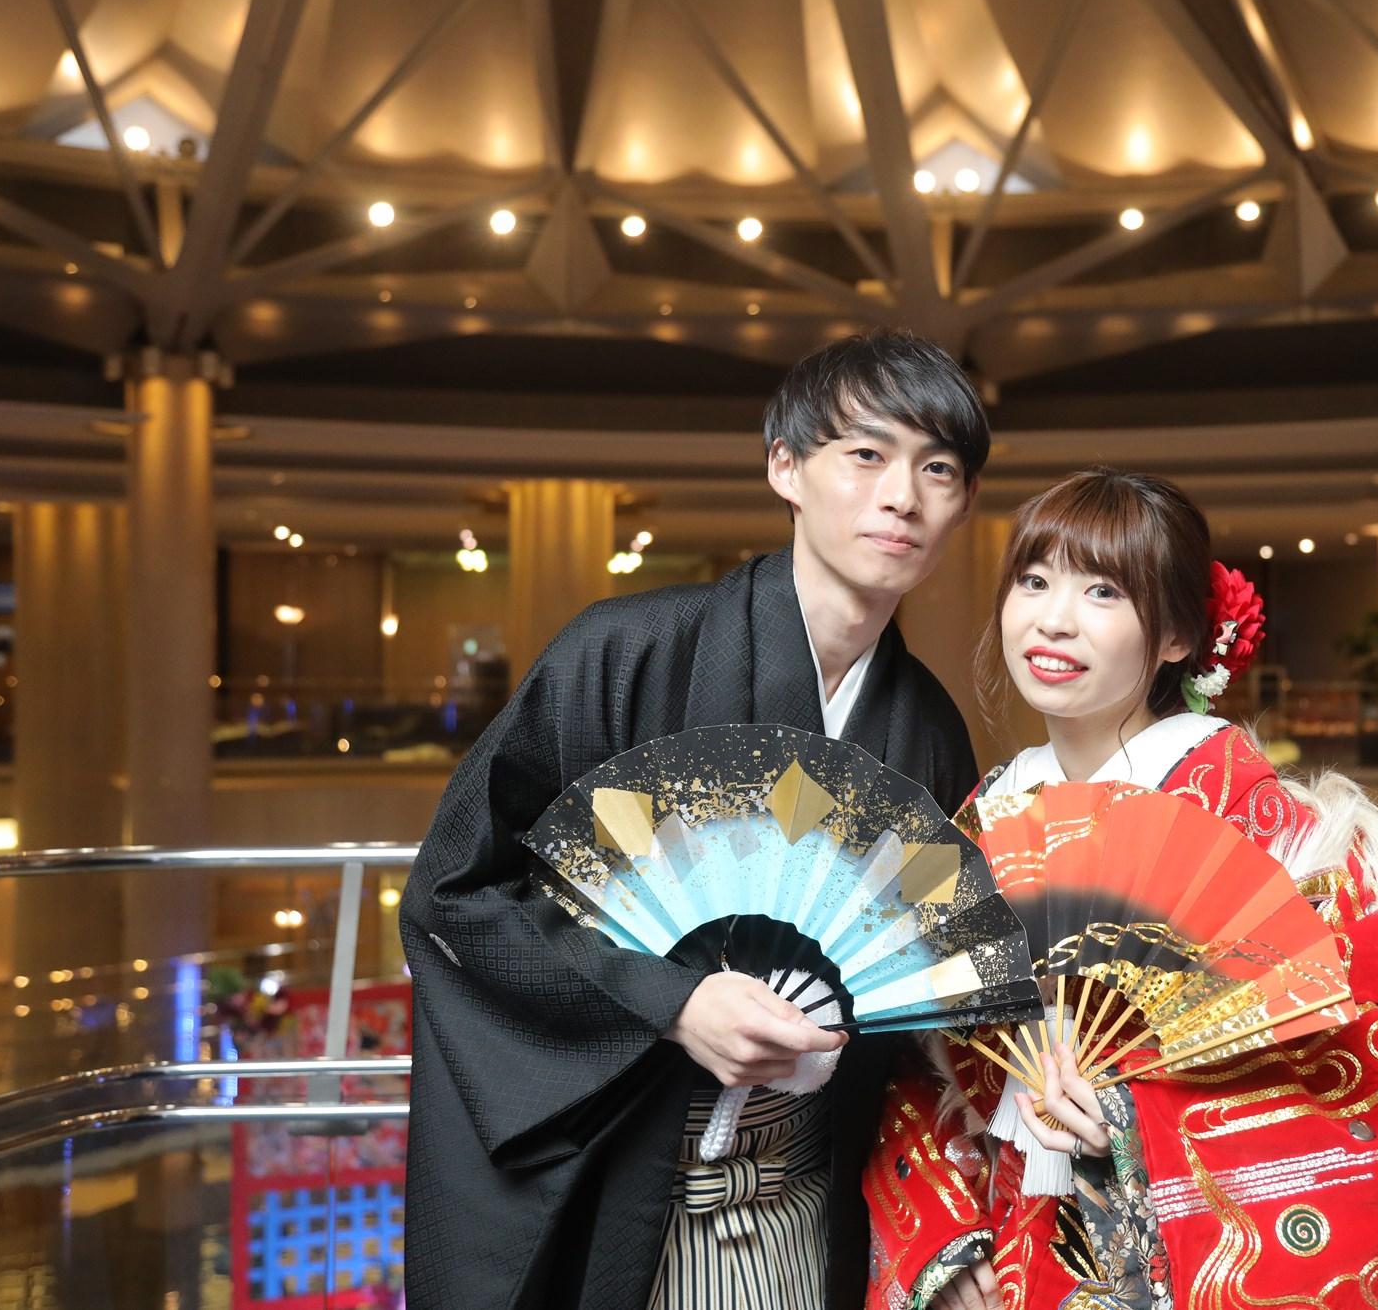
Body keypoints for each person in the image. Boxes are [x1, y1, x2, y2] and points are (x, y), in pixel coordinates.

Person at [864, 469, 1378, 1309]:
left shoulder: (1285, 839)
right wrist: (948, 1242)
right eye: (1034, 580)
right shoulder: (986, 820)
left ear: (1175, 636)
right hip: (1015, 1257)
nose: (1053, 618)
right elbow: (912, 1060)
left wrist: (1133, 1117)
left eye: (1102, 591)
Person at [400, 330, 991, 1310]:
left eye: (938, 470)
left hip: (810, 1195)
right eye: (866, 454)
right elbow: (458, 895)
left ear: (963, 505)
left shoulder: (927, 728)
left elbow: (930, 988)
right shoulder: (625, 653)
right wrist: (669, 1002)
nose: (902, 496)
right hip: (628, 1183)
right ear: (785, 466)